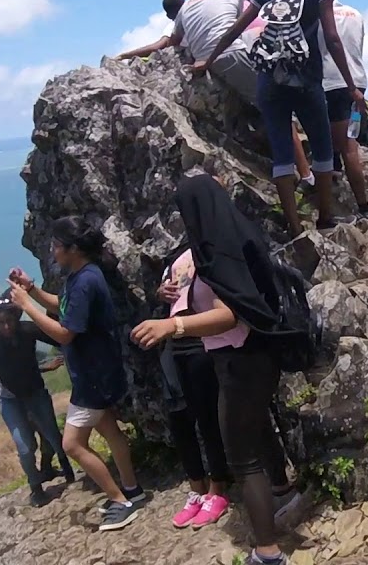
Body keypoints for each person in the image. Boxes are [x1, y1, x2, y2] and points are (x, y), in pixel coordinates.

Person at [132, 175, 305, 565]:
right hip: (252, 355)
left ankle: (268, 553)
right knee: (255, 431)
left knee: (242, 459)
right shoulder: (233, 233)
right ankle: (281, 496)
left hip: (240, 359)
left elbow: (230, 314)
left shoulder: (218, 248)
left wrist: (171, 326)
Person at [191, 0, 365, 236]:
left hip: (270, 80)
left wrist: (209, 58)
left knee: (282, 153)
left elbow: (236, 28)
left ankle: (295, 226)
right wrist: (351, 85)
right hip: (307, 80)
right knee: (323, 150)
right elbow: (333, 39)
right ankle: (324, 218)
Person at [7, 217, 145, 531]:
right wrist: (32, 289)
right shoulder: (84, 274)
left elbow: (66, 332)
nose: (52, 250)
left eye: (56, 245)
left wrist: (27, 306)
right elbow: (64, 307)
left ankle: (121, 501)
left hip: (92, 376)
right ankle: (132, 490)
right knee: (110, 430)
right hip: (101, 370)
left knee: (71, 445)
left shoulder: (84, 282)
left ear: (73, 249)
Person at [0, 292, 76, 507]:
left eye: (9, 321)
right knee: (25, 447)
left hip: (36, 392)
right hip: (10, 400)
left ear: (16, 318)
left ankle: (69, 476)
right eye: (1, 323)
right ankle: (36, 489)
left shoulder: (28, 330)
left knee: (54, 437)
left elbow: (59, 338)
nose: (6, 327)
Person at [154, 253, 232, 529]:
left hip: (201, 339)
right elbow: (169, 288)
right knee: (179, 419)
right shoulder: (177, 255)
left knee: (207, 416)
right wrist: (161, 291)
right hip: (175, 342)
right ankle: (197, 490)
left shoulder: (208, 246)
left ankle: (217, 487)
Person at [318, 0, 368, 224]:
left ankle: (364, 208)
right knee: (350, 133)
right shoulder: (356, 14)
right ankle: (336, 166)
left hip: (333, 83)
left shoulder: (319, 15)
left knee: (348, 148)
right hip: (357, 84)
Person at [115, 0, 186, 60]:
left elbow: (157, 47)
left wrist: (124, 56)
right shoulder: (193, 15)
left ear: (169, 16)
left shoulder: (172, 26)